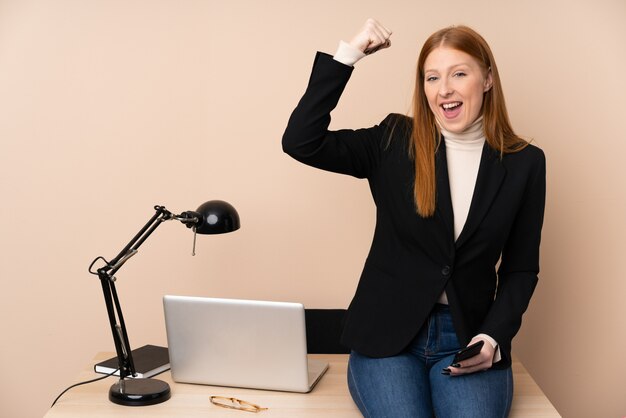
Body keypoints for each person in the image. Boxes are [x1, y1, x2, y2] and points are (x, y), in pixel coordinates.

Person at [282, 18, 545, 418]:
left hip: (468, 336)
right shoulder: (392, 140)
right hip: (386, 338)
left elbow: (521, 269)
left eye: (459, 73)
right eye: (432, 77)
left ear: (487, 79)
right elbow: (301, 140)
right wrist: (348, 55)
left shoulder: (525, 162)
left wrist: (492, 336)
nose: (445, 90)